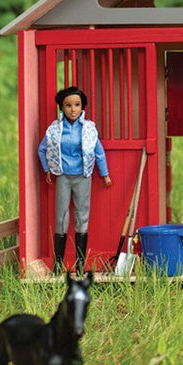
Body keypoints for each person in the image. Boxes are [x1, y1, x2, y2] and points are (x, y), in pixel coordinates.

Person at [38, 86, 112, 273]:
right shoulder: (55, 129)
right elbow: (42, 149)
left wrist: (104, 174)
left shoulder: (88, 129)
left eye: (77, 105)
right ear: (62, 107)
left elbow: (99, 152)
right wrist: (47, 169)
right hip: (63, 175)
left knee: (82, 215)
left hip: (83, 175)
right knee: (61, 216)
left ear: (82, 107)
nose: (73, 109)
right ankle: (57, 265)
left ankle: (80, 264)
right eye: (68, 105)